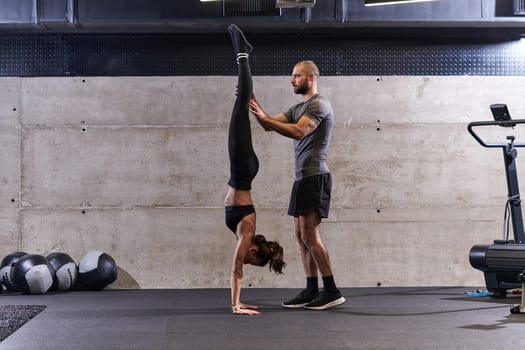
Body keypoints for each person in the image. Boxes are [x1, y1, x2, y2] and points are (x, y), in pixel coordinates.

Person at [248, 60, 345, 310]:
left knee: (310, 235)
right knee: (301, 237)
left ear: (310, 78)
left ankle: (331, 290)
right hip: (302, 178)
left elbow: (299, 132)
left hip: (315, 177)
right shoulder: (299, 107)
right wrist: (254, 103)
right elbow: (268, 124)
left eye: (296, 76)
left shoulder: (318, 104)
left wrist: (265, 118)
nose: (292, 80)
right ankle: (312, 289)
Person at [224, 24, 286, 316]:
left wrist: (240, 301)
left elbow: (239, 266)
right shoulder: (247, 234)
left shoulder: (246, 233)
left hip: (243, 171)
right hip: (242, 169)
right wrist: (236, 305)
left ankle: (244, 54)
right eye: (252, 261)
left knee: (241, 105)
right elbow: (236, 268)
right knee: (240, 106)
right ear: (253, 252)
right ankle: (242, 52)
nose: (246, 262)